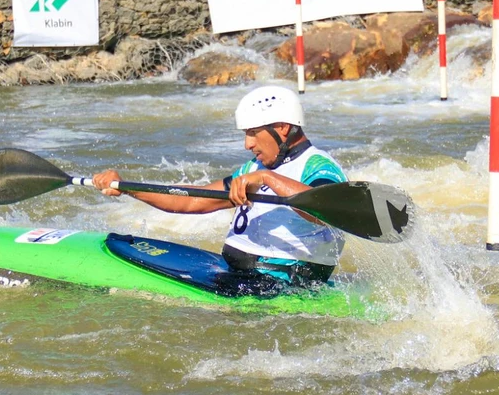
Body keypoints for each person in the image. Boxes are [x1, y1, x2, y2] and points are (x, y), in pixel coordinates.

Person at [91, 85, 347, 289]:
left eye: (254, 133)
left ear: (282, 127)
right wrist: (127, 187)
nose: (248, 144)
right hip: (237, 273)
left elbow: (328, 210)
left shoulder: (318, 166)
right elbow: (191, 201)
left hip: (282, 285)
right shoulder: (254, 168)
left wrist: (268, 180)